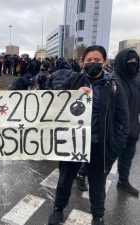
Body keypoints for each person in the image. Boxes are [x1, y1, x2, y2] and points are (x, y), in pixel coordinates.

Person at [47, 45, 129, 225]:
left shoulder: (114, 86)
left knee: (98, 185)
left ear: (104, 62)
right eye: (89, 60)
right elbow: (55, 106)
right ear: (82, 62)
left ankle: (98, 216)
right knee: (64, 181)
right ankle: (58, 209)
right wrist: (74, 95)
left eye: (97, 60)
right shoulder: (73, 81)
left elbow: (123, 120)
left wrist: (115, 148)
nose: (93, 63)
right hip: (73, 144)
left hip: (99, 146)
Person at [113, 49, 140, 196]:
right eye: (130, 62)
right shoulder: (112, 80)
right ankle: (82, 175)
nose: (133, 65)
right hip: (115, 130)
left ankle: (123, 181)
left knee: (128, 157)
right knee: (103, 161)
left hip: (133, 128)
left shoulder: (137, 80)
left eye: (136, 62)